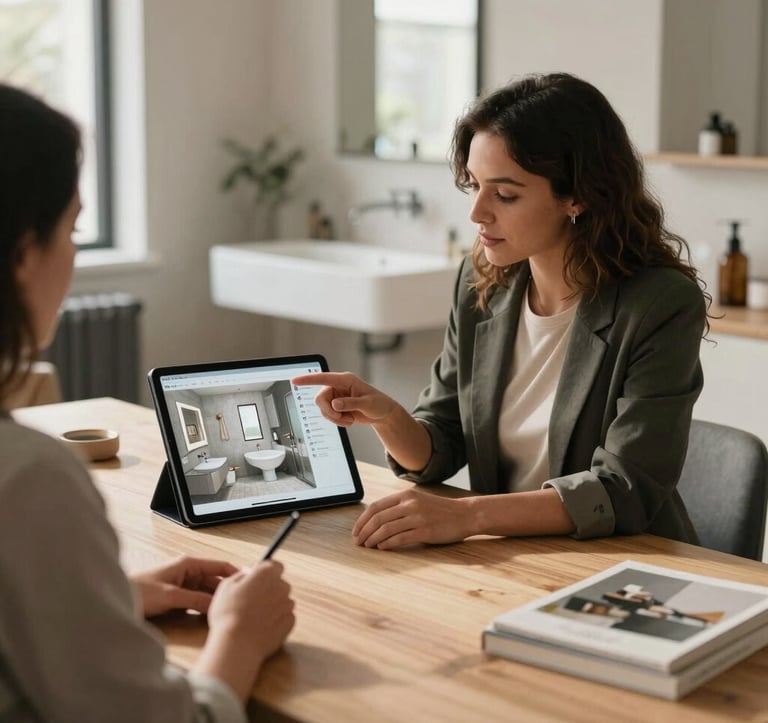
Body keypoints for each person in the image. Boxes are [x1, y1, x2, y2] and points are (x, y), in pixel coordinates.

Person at [293, 72, 708, 551]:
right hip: (509, 556)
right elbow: (441, 443)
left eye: (505, 194)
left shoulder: (659, 304)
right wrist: (386, 415)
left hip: (622, 563)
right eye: (473, 185)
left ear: (578, 196)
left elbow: (624, 489)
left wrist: (465, 515)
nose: (477, 213)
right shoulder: (480, 284)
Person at [0, 84, 294, 721]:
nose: (75, 254)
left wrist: (104, 602)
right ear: (24, 252)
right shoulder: (28, 477)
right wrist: (241, 637)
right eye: (73, 229)